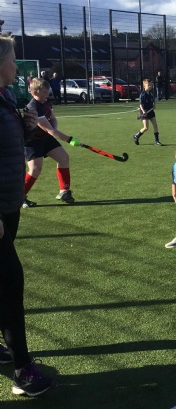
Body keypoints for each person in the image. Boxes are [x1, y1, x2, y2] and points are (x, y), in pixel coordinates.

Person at [0, 35, 56, 397]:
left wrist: (27, 125)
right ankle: (23, 372)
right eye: (12, 59)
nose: (16, 65)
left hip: (8, 204)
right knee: (10, 285)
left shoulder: (5, 96)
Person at [23, 78, 80, 207]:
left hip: (46, 138)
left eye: (47, 91)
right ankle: (20, 197)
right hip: (32, 141)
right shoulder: (33, 107)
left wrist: (54, 129)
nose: (47, 94)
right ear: (35, 92)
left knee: (63, 158)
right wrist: (70, 139)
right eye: (44, 92)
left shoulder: (46, 103)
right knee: (35, 169)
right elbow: (49, 130)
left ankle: (64, 191)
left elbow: (53, 119)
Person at [133, 78, 163, 146]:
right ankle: (136, 136)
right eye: (148, 85)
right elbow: (140, 104)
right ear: (144, 86)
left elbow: (154, 100)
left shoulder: (151, 94)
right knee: (146, 128)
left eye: (150, 85)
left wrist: (154, 105)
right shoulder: (143, 94)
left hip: (151, 111)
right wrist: (143, 111)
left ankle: (157, 141)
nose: (150, 86)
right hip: (144, 112)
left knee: (155, 125)